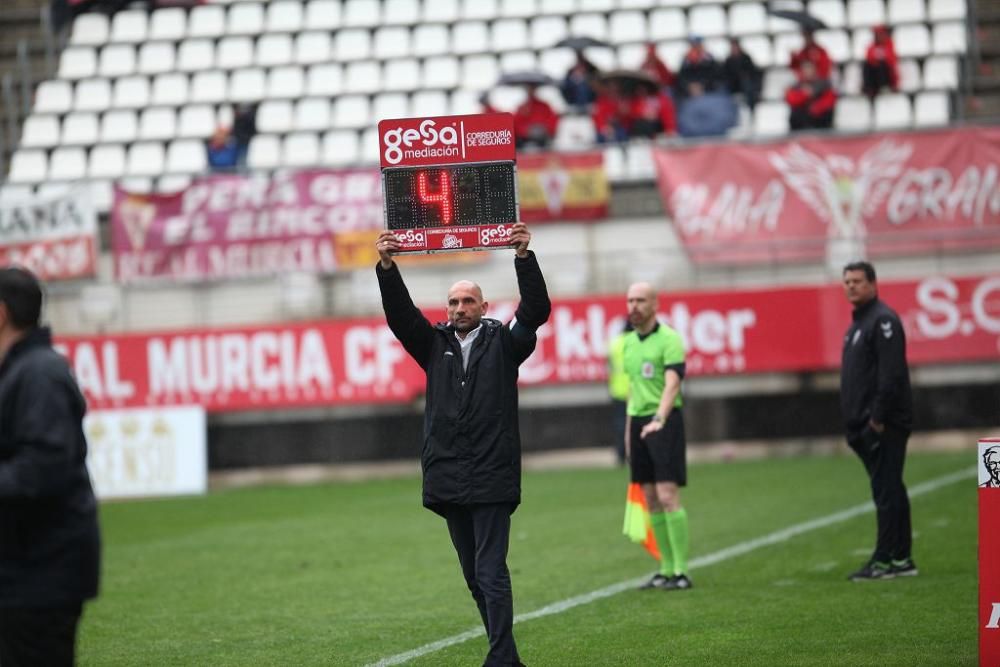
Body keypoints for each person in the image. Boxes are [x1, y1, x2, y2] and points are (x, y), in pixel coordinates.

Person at [374, 222, 550, 666]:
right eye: (453, 301)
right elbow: (400, 317)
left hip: (491, 474)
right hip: (449, 474)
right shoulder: (433, 345)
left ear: (484, 305)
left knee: (490, 571)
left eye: (467, 300)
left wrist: (523, 259)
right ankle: (505, 656)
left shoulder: (505, 344)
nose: (459, 307)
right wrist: (387, 266)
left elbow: (536, 310)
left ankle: (502, 659)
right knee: (473, 576)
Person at [0, 267, 101, 666]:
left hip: (40, 575)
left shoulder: (39, 373)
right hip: (22, 572)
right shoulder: (18, 372)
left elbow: (44, 468)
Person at [840, 261, 917, 581]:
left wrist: (878, 419)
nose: (851, 287)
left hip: (883, 424)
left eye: (857, 281)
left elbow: (891, 374)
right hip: (864, 424)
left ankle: (885, 559)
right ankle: (902, 557)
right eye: (847, 282)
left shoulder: (882, 321)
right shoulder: (858, 325)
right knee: (890, 488)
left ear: (873, 284)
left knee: (886, 490)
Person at [623, 282, 692, 591]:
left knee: (667, 495)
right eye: (630, 300)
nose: (634, 306)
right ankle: (664, 569)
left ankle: (681, 571)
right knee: (650, 499)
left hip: (664, 423)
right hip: (638, 423)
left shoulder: (670, 339)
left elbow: (672, 384)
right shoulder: (627, 343)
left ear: (655, 304)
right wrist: (628, 435)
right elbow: (632, 392)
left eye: (640, 300)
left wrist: (659, 419)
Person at [606, 321, 633, 465]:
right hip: (635, 390)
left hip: (617, 390)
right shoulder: (636, 343)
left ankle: (620, 454)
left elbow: (610, 366)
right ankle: (632, 454)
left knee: (620, 424)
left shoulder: (615, 343)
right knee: (635, 425)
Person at [786, 60, 836, 131]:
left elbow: (830, 100)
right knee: (796, 113)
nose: (807, 71)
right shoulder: (796, 86)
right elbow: (791, 99)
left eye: (810, 68)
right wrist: (805, 94)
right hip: (802, 122)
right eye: (805, 69)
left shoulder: (824, 84)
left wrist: (816, 108)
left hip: (819, 120)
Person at [512, 85, 560, 150]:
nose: (530, 91)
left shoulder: (544, 105)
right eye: (528, 89)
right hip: (524, 141)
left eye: (532, 89)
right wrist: (526, 131)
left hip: (542, 140)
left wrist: (544, 129)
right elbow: (516, 124)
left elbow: (552, 120)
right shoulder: (522, 107)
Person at [724, 38, 763, 110]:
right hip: (733, 84)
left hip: (745, 83)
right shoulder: (728, 60)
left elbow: (752, 71)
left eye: (735, 46)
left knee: (748, 85)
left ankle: (751, 108)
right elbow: (726, 73)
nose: (734, 48)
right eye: (732, 47)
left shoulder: (746, 58)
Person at [863, 25, 899, 99]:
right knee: (867, 66)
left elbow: (892, 62)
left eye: (881, 34)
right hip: (874, 74)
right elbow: (869, 58)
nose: (879, 36)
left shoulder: (889, 45)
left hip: (887, 75)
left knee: (881, 65)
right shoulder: (871, 46)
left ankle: (884, 86)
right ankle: (869, 87)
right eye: (877, 34)